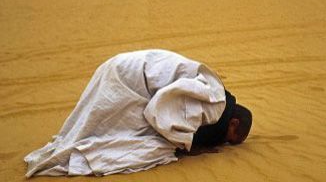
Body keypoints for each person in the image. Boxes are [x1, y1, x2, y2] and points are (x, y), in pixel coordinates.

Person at [24, 49, 252, 177]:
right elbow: (159, 110)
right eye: (230, 140)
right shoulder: (215, 102)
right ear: (233, 123)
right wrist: (186, 146)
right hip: (127, 76)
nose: (225, 142)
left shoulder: (216, 91)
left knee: (97, 124)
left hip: (119, 65)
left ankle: (72, 145)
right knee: (133, 141)